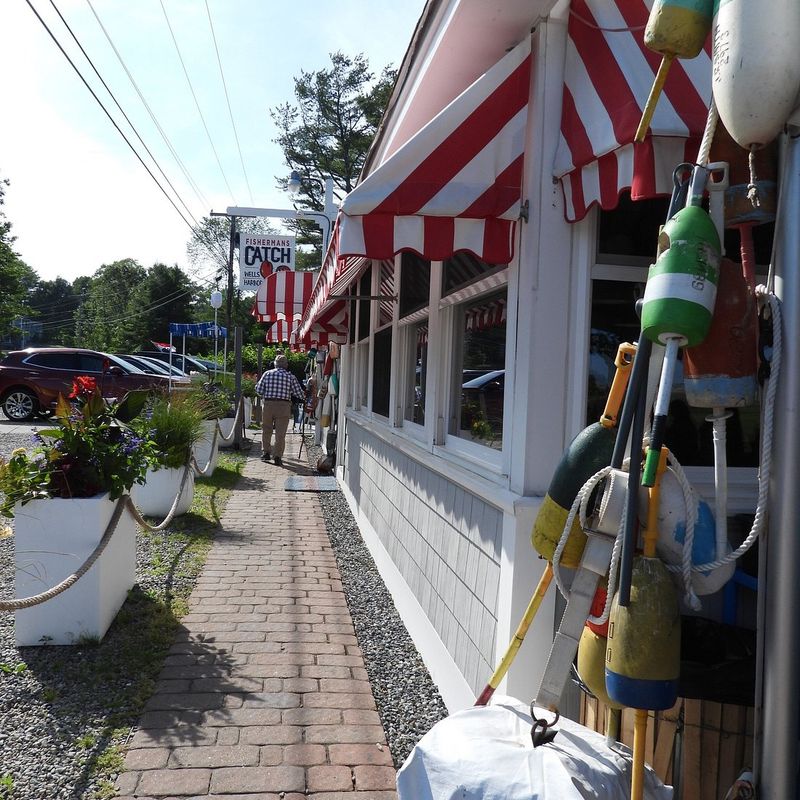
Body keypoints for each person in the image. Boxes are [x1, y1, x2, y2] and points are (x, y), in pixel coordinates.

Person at [254, 354, 304, 466]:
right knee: (280, 433)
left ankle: (266, 452)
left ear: (275, 364)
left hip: (268, 404)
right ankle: (277, 456)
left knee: (266, 429)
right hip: (283, 406)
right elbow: (299, 394)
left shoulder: (267, 374)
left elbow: (258, 389)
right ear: (286, 365)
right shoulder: (290, 377)